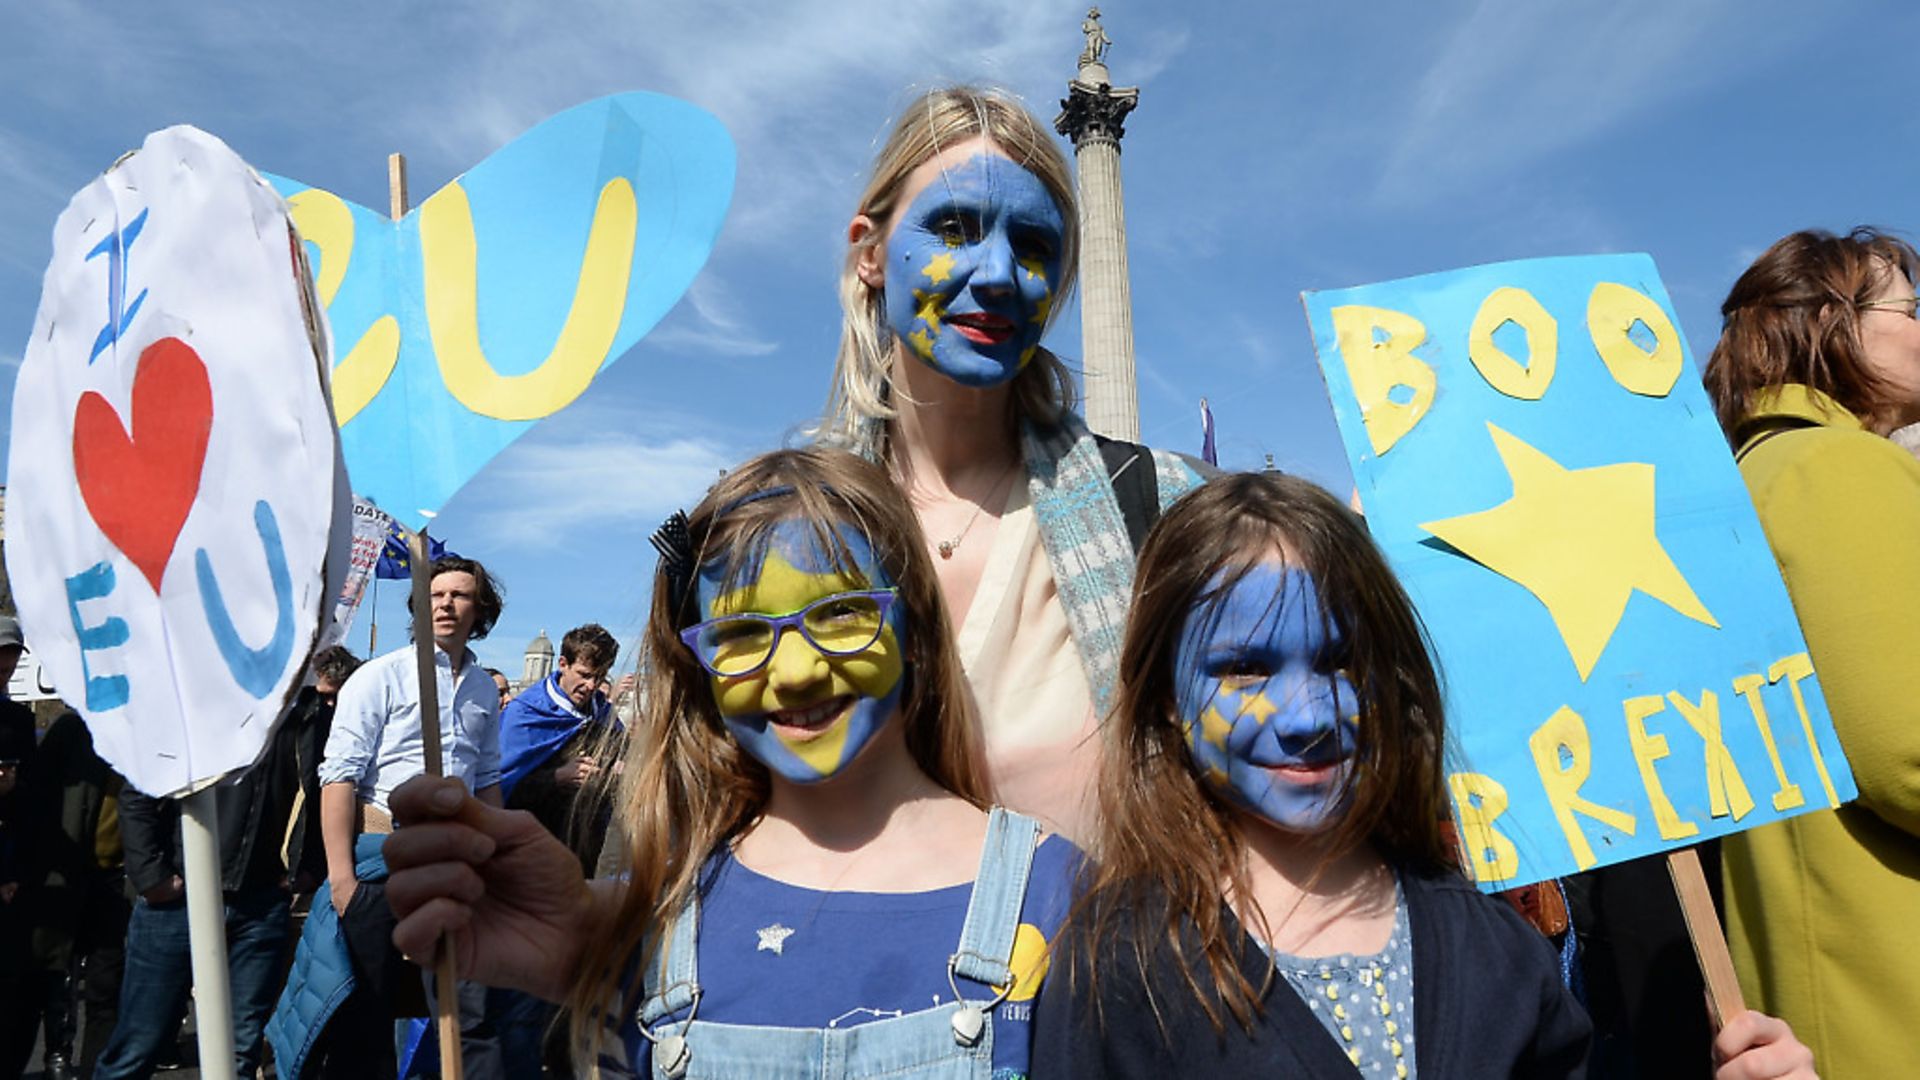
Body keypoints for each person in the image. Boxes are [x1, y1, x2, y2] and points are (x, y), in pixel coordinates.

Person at [1032, 473, 1816, 1079]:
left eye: (1341, 660)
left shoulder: (1497, 951)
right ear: (1168, 696)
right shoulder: (1118, 969)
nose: (1305, 716)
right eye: (1244, 669)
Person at [382, 448, 1079, 1079]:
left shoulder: (1065, 900)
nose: (799, 672)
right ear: (700, 667)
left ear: (914, 629)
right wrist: (583, 954)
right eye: (743, 633)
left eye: (841, 614)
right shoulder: (653, 925)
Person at [818, 85, 1209, 838]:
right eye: (955, 228)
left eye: (1032, 246)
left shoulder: (1168, 511)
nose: (998, 273)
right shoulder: (789, 535)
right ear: (870, 253)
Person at [1700, 227, 1920, 1078]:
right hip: (1887, 980)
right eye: (1909, 307)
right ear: (1832, 324)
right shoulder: (1834, 466)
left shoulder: (1760, 472)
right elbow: (1905, 748)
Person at [267, 556, 507, 1079]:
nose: (445, 604)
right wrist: (341, 882)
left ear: (480, 609)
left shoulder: (485, 690)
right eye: (435, 594)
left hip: (454, 867)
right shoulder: (379, 677)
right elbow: (338, 779)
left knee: (468, 1013)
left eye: (459, 595)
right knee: (365, 1022)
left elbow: (487, 780)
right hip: (383, 865)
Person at [498, 622, 622, 870]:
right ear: (563, 664)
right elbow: (498, 786)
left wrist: (621, 766)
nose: (591, 686)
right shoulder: (525, 713)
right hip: (533, 850)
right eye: (585, 675)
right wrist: (557, 777)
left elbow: (623, 752)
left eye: (599, 677)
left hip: (586, 846)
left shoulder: (603, 712)